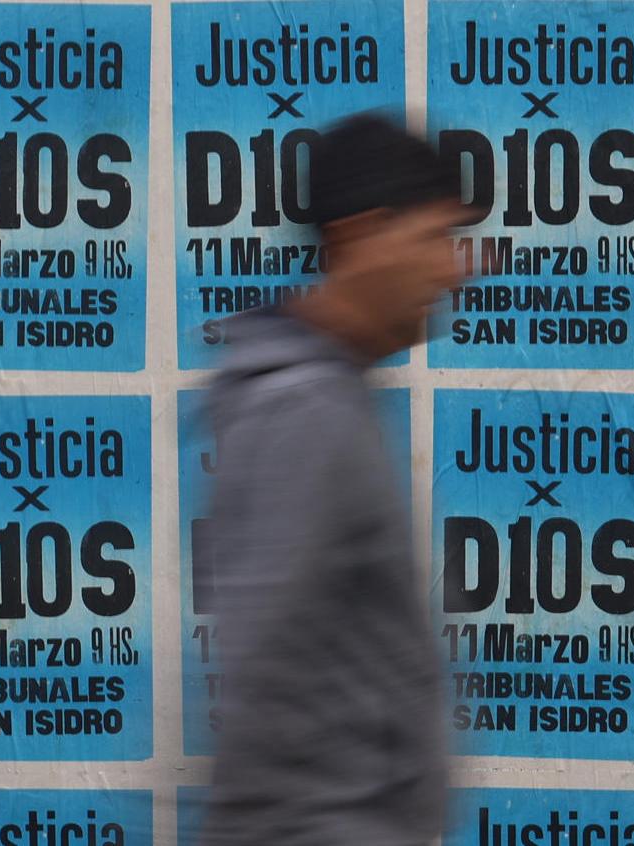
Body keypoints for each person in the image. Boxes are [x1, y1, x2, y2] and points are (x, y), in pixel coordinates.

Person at [197, 112, 476, 846]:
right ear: (360, 236)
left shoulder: (328, 392)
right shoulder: (303, 411)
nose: (456, 268)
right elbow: (264, 670)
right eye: (433, 238)